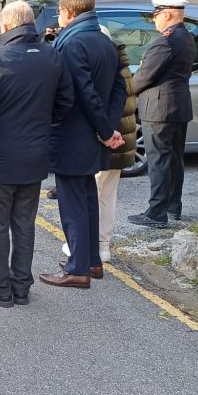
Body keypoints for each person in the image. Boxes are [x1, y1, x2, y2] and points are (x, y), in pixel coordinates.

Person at [0, 1, 74, 307]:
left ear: (7, 25)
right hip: (34, 152)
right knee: (24, 223)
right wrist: (44, 123)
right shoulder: (51, 55)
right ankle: (21, 286)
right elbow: (66, 101)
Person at [40, 0, 127, 290]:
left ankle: (78, 268)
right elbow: (119, 88)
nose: (58, 15)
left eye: (59, 10)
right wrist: (108, 127)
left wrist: (105, 130)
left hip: (72, 134)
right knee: (87, 197)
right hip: (91, 135)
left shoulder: (73, 42)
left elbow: (83, 93)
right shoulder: (104, 40)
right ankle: (92, 261)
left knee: (73, 202)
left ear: (67, 11)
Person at [62, 33, 137, 262]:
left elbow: (93, 103)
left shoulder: (98, 70)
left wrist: (105, 131)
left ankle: (84, 247)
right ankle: (103, 246)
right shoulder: (123, 68)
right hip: (121, 141)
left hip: (104, 139)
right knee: (107, 196)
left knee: (90, 195)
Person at [127, 0, 196, 228]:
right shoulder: (186, 37)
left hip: (159, 109)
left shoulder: (165, 42)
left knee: (159, 160)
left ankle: (156, 212)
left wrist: (124, 90)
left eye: (156, 15)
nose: (154, 20)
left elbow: (144, 76)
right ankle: (173, 206)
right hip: (178, 106)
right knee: (174, 159)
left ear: (166, 14)